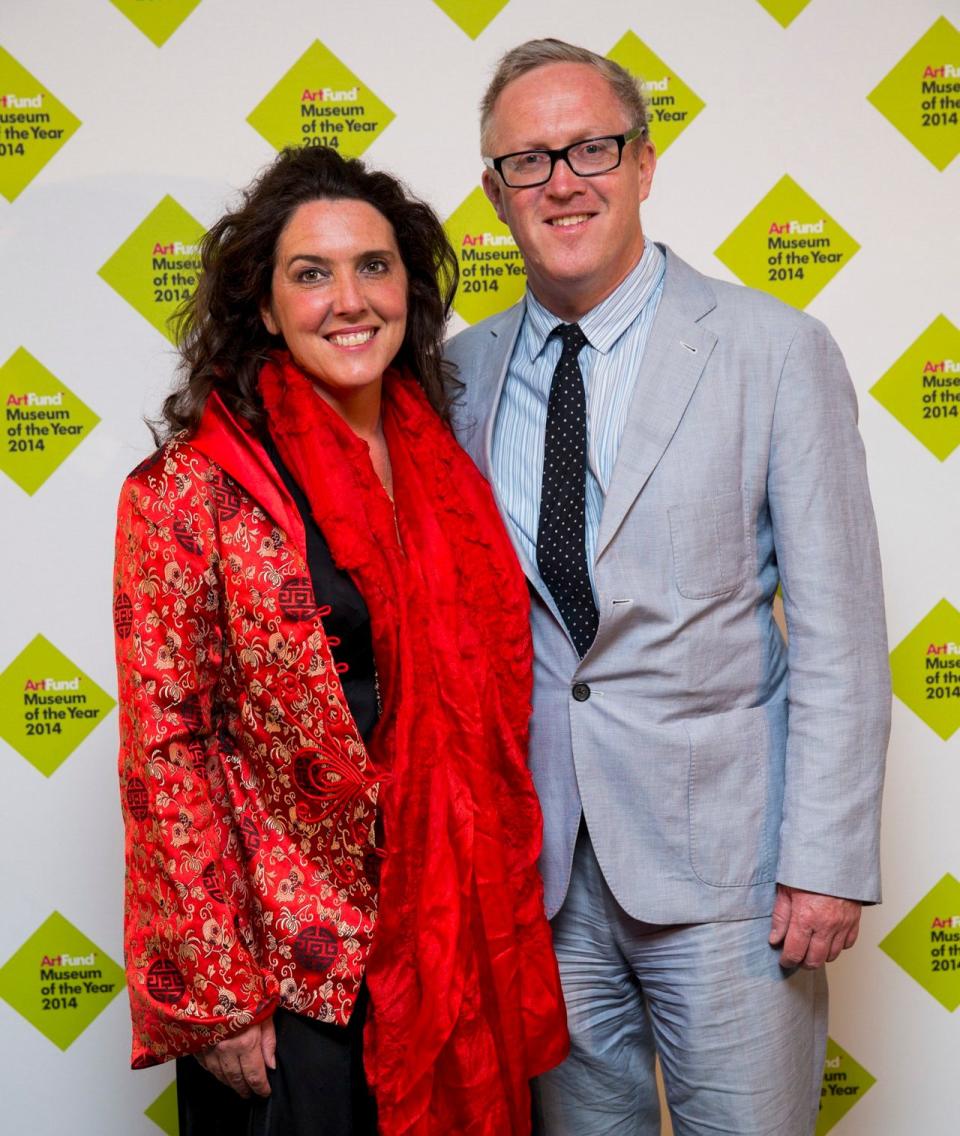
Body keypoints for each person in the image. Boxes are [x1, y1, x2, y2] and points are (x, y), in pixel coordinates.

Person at [445, 38, 890, 1136]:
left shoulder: (774, 349)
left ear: (645, 162)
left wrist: (825, 862)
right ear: (495, 192)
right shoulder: (456, 371)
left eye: (591, 147)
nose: (562, 181)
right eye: (528, 160)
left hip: (733, 877)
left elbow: (841, 629)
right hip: (539, 878)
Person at [112, 144, 567, 1136]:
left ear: (408, 286)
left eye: (373, 265)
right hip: (294, 977)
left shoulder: (452, 468)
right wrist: (221, 992)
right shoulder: (188, 492)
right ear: (266, 309)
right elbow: (167, 753)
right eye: (310, 273)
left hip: (455, 940)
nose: (348, 299)